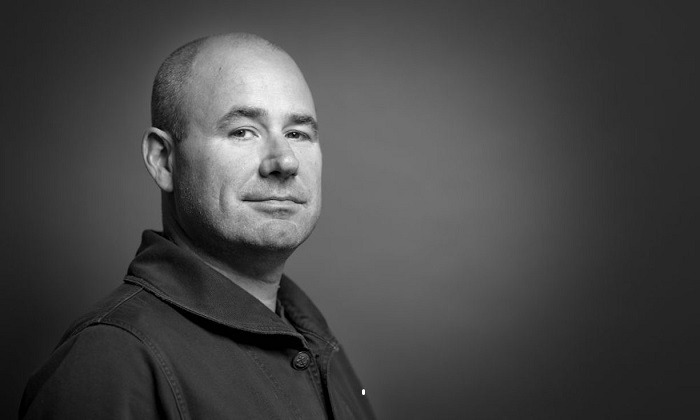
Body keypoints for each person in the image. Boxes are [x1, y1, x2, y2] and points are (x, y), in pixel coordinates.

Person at [19, 33, 375, 420]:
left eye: (297, 134)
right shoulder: (111, 362)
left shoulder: (314, 340)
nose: (285, 161)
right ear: (163, 160)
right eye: (242, 131)